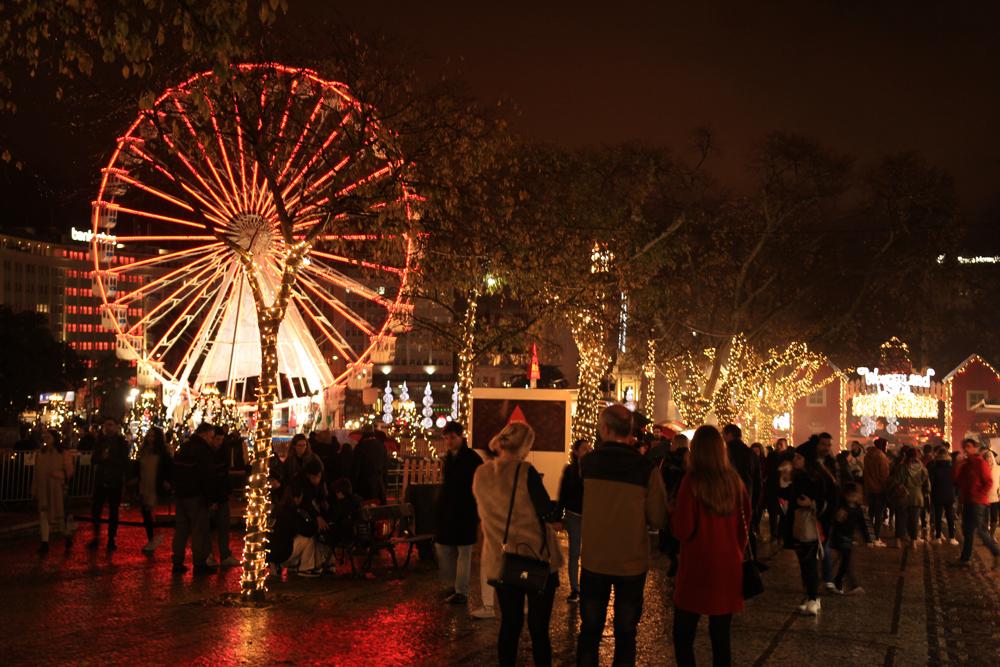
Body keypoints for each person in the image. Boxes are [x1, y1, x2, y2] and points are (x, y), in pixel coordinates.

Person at [577, 405, 668, 667]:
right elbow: (658, 517)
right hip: (632, 562)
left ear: (604, 429)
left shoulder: (588, 464)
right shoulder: (645, 468)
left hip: (595, 560)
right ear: (630, 431)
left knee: (590, 632)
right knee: (626, 634)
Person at [473, 422, 563, 667]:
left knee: (509, 625)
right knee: (538, 629)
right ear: (524, 446)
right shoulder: (525, 472)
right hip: (534, 557)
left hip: (502, 560)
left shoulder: (482, 474)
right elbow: (546, 512)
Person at [671, 425, 750, 667]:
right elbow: (745, 524)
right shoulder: (735, 483)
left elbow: (683, 529)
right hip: (728, 566)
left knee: (683, 635)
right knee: (721, 636)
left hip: (697, 566)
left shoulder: (691, 482)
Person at [432, 421, 484, 607]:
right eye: (446, 438)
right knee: (444, 547)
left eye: (452, 437)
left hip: (466, 510)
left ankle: (460, 590)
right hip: (450, 511)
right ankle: (455, 585)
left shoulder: (472, 459)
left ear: (461, 437)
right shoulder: (449, 459)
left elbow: (479, 486)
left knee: (464, 551)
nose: (449, 441)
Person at [779, 444, 834, 616]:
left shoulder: (818, 478)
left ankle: (813, 598)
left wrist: (812, 504)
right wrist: (784, 478)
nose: (795, 460)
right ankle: (810, 596)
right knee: (803, 563)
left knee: (810, 562)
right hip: (797, 524)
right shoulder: (798, 476)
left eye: (799, 457)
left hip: (811, 523)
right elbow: (786, 495)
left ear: (807, 460)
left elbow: (828, 501)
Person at [171, 423, 216, 575]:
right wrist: (210, 499)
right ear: (204, 435)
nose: (212, 440)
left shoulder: (185, 447)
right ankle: (199, 563)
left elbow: (175, 468)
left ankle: (177, 561)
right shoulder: (203, 450)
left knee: (181, 530)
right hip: (196, 495)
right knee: (198, 530)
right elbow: (207, 476)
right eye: (211, 437)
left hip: (181, 494)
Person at [951, 439, 1000, 569]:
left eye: (968, 446)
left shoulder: (980, 463)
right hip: (968, 501)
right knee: (967, 530)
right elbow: (957, 480)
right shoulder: (966, 464)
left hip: (977, 502)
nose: (966, 449)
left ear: (974, 448)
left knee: (980, 530)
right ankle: (965, 558)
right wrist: (957, 464)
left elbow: (988, 482)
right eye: (964, 447)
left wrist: (979, 495)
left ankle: (996, 552)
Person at [87, 417, 130, 551]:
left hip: (114, 481)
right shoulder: (99, 441)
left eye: (110, 425)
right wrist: (101, 458)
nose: (108, 428)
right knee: (96, 510)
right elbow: (93, 459)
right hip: (101, 481)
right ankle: (96, 536)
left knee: (113, 511)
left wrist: (109, 459)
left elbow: (124, 461)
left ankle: (111, 538)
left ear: (116, 427)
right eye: (106, 425)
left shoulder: (121, 443)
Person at [558, 438, 591, 603]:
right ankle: (575, 588)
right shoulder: (570, 470)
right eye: (584, 448)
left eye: (589, 448)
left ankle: (587, 587)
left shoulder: (593, 470)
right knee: (574, 553)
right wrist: (558, 516)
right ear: (576, 451)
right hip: (573, 515)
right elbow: (562, 494)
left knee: (589, 553)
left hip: (589, 516)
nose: (588, 451)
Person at [722, 425, 762, 559]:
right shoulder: (751, 454)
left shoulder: (727, 453)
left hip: (730, 499)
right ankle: (752, 559)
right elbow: (758, 481)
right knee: (748, 530)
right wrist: (754, 501)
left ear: (729, 435)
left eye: (724, 434)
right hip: (748, 497)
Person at [32, 429, 74, 554]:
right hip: (43, 487)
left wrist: (61, 475)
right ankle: (45, 542)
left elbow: (69, 471)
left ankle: (66, 535)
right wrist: (34, 488)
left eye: (48, 436)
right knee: (43, 514)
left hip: (56, 488)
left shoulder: (63, 453)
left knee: (59, 516)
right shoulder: (40, 454)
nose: (45, 438)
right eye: (44, 436)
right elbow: (36, 473)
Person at [829, 482, 872, 594]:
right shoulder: (841, 507)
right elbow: (834, 520)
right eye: (851, 496)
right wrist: (837, 518)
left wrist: (868, 539)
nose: (853, 498)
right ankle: (841, 583)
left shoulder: (858, 509)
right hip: (839, 537)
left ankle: (840, 582)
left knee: (846, 562)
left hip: (848, 538)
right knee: (846, 561)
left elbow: (862, 525)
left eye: (855, 496)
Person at [206, 426, 239, 568]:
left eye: (221, 439)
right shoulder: (208, 454)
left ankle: (224, 554)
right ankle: (210, 555)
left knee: (224, 527)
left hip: (221, 494)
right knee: (208, 528)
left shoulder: (223, 452)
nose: (219, 442)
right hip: (213, 496)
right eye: (217, 439)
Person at [136, 426, 172, 554]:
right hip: (145, 484)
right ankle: (151, 538)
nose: (150, 439)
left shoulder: (163, 453)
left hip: (154, 485)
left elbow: (168, 467)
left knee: (149, 511)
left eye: (153, 436)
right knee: (146, 513)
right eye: (149, 436)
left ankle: (153, 538)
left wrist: (167, 480)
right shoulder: (144, 451)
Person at [887, 446, 929, 548]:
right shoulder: (922, 468)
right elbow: (927, 484)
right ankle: (913, 542)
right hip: (917, 496)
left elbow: (895, 481)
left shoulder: (902, 467)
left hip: (903, 496)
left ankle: (898, 541)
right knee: (914, 520)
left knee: (900, 518)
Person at [927, 446, 958, 545]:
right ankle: (952, 537)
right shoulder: (952, 468)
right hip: (949, 495)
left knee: (938, 517)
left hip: (937, 495)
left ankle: (938, 537)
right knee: (950, 516)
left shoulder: (933, 468)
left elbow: (930, 482)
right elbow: (956, 482)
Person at [864, 437, 891, 547]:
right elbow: (884, 475)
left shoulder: (868, 456)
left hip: (869, 488)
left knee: (870, 513)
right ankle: (876, 537)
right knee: (879, 514)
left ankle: (868, 537)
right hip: (879, 489)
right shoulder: (881, 457)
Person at [763, 438, 790, 544]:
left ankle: (780, 535)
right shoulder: (772, 456)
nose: (778, 446)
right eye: (777, 444)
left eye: (781, 444)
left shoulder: (788, 457)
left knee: (783, 513)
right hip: (772, 488)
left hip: (784, 488)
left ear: (785, 446)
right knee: (773, 513)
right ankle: (774, 535)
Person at [351, 431, 388, 504]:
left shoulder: (360, 446)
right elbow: (385, 467)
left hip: (363, 483)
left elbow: (356, 468)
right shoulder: (381, 446)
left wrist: (354, 485)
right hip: (378, 483)